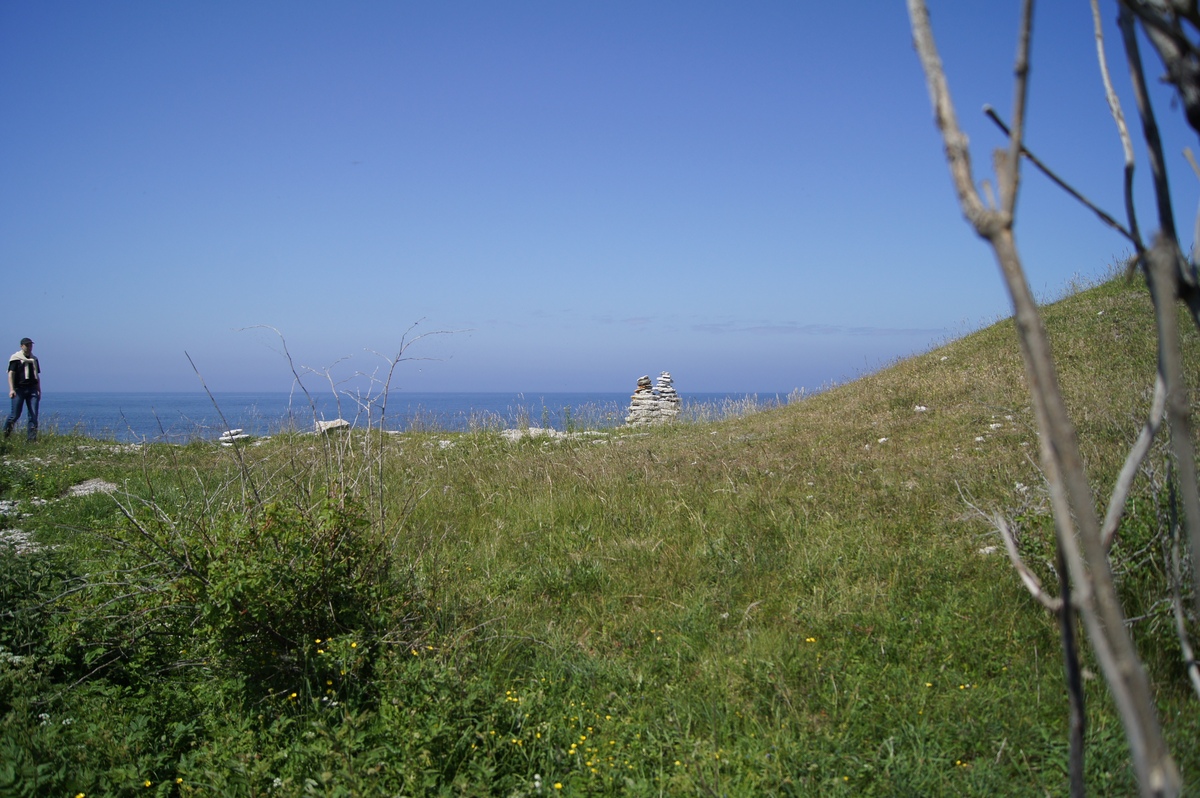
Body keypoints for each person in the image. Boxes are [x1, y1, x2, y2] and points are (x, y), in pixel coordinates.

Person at [5, 337, 40, 442]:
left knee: (33, 415)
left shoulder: (34, 359)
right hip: (19, 389)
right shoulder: (15, 358)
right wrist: (11, 389)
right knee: (15, 415)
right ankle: (6, 435)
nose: (29, 347)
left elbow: (37, 376)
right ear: (22, 346)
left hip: (32, 389)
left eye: (30, 345)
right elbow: (11, 374)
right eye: (27, 345)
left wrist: (39, 390)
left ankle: (31, 440)